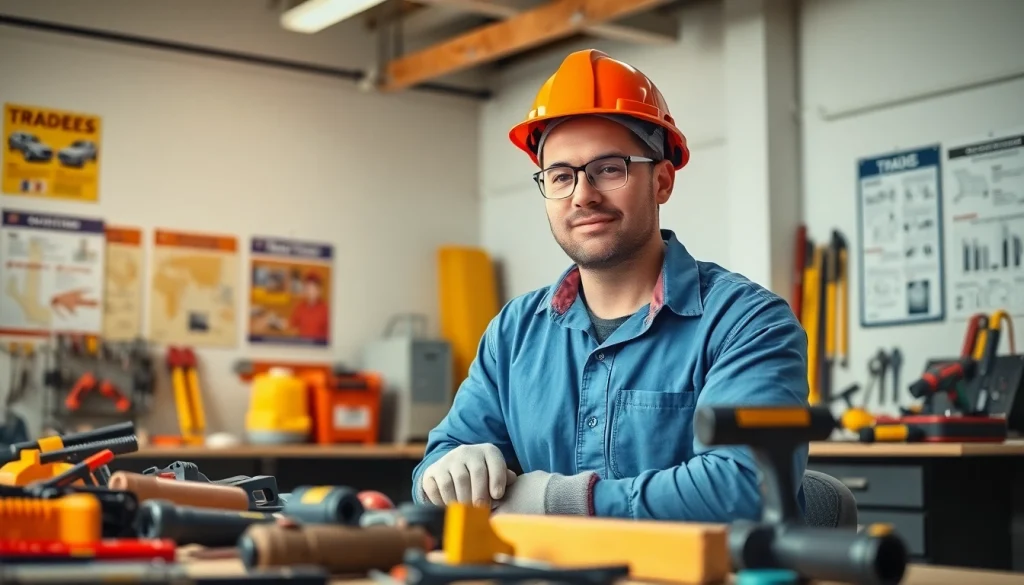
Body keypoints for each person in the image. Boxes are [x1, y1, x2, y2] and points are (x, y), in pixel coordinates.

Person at [411, 49, 809, 521]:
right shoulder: (513, 334)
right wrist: (448, 471)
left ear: (661, 181)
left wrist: (557, 500)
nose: (583, 195)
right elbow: (433, 471)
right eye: (560, 176)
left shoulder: (746, 324)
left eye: (609, 168)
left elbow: (747, 487)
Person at [287, 271, 329, 342]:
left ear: (320, 290)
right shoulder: (300, 307)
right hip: (303, 347)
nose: (310, 292)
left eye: (313, 288)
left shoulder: (326, 309)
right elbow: (291, 326)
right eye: (308, 288)